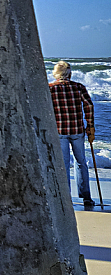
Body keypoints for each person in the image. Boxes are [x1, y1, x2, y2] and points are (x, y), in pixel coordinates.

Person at [49, 60, 95, 209]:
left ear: (56, 73)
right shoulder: (78, 87)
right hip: (77, 130)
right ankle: (86, 197)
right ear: (70, 73)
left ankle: (66, 197)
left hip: (59, 130)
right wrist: (90, 126)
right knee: (81, 162)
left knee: (64, 165)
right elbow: (88, 105)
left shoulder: (50, 88)